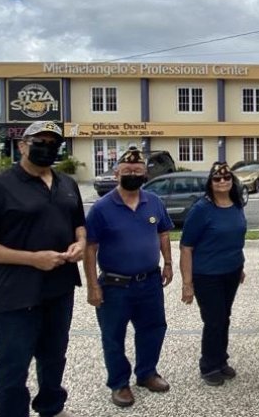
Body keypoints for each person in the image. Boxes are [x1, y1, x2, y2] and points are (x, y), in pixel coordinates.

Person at [0, 121, 85, 417]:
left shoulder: (67, 183)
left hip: (60, 289)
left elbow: (79, 224)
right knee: (12, 366)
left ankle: (52, 407)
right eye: (39, 142)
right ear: (22, 146)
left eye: (53, 143)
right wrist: (32, 259)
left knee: (54, 357)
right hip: (15, 295)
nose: (46, 148)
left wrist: (80, 243)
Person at [83, 148, 173, 407]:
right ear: (116, 173)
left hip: (150, 282)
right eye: (127, 169)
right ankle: (119, 383)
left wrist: (168, 263)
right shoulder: (101, 208)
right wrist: (92, 286)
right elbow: (90, 248)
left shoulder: (154, 201)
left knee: (154, 329)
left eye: (137, 169)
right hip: (114, 285)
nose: (133, 173)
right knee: (113, 336)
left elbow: (164, 233)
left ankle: (146, 373)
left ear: (145, 173)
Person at [180, 161, 247, 387]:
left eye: (227, 177)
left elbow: (236, 239)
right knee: (214, 320)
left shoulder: (236, 205)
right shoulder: (201, 209)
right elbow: (186, 246)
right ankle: (208, 365)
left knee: (224, 318)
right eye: (217, 178)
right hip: (207, 275)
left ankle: (220, 359)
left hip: (232, 271)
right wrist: (187, 283)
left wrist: (241, 265)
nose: (222, 181)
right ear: (210, 182)